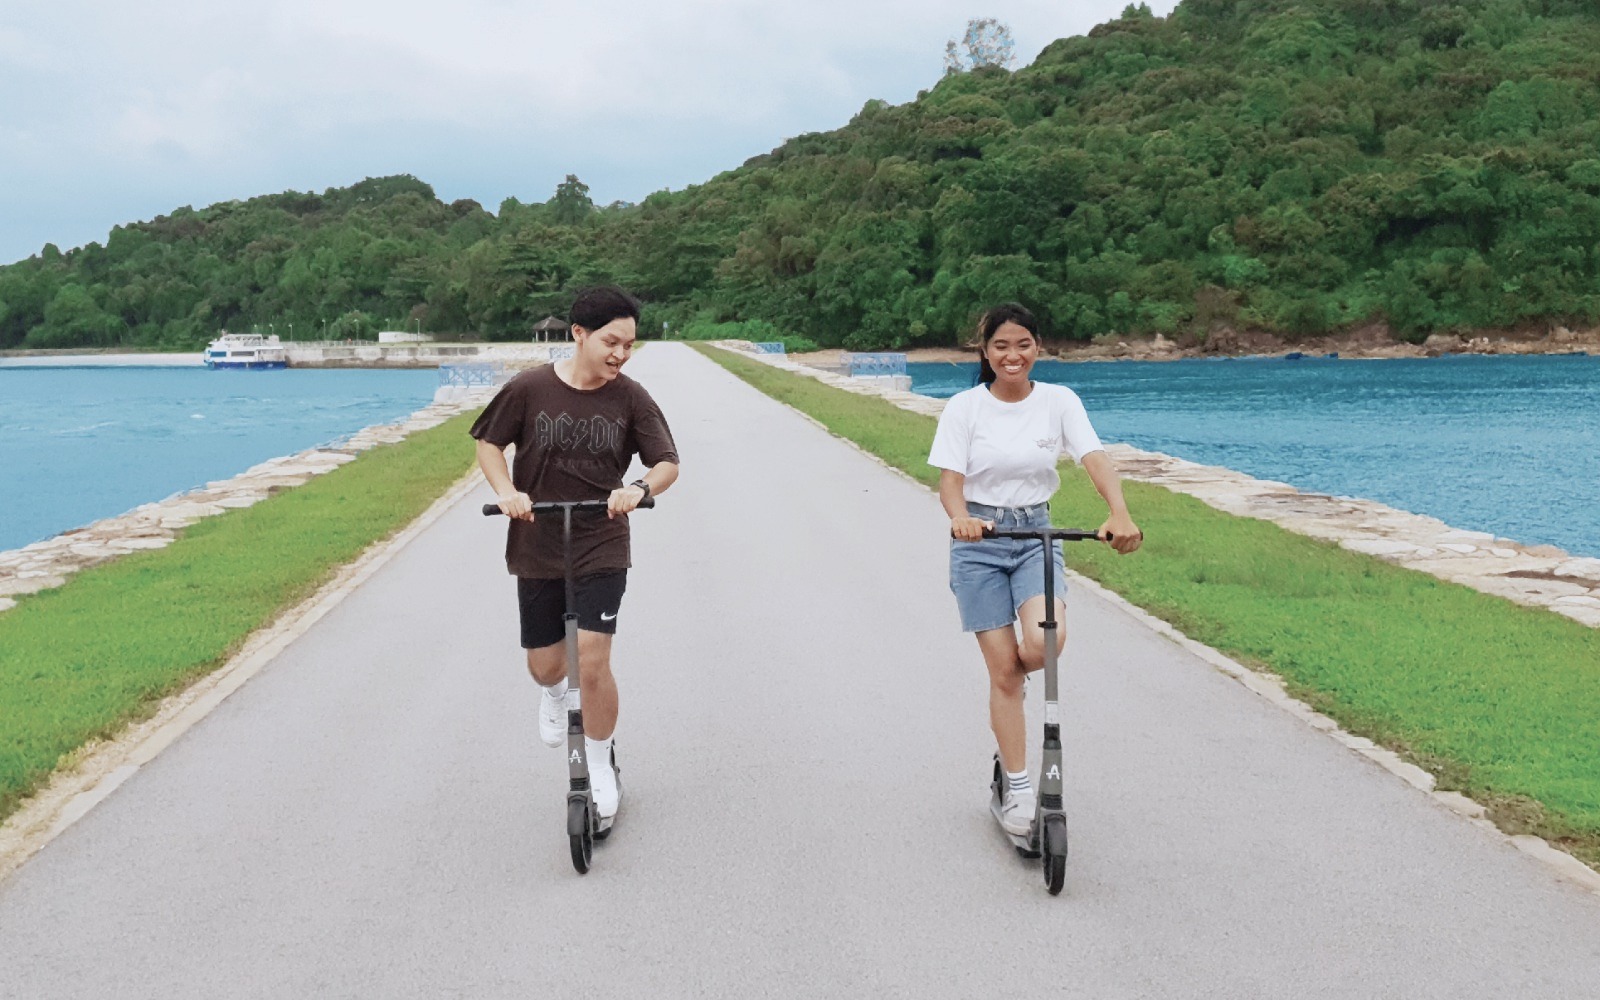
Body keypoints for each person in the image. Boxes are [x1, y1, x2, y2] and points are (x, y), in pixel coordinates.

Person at [927, 303, 1141, 835]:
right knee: (1003, 675)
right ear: (985, 351)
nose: (1012, 355)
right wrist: (962, 519)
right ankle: (1019, 785)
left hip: (1034, 538)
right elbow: (951, 481)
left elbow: (1094, 457)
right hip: (980, 543)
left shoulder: (1059, 401)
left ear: (1038, 348)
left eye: (1022, 344)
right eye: (1001, 346)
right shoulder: (964, 408)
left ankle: (1014, 718)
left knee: (1046, 643)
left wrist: (1119, 511)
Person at [471, 286, 679, 821]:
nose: (620, 354)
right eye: (612, 341)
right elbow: (489, 443)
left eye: (629, 345)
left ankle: (601, 760)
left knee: (593, 660)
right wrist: (506, 491)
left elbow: (666, 463)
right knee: (547, 666)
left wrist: (639, 489)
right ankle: (552, 692)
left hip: (601, 540)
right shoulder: (528, 389)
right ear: (578, 334)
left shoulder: (631, 397)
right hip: (537, 540)